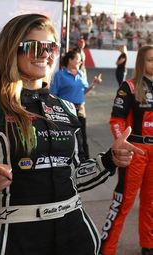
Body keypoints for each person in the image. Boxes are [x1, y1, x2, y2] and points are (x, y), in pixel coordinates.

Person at [0, 14, 143, 255]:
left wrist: (111, 159)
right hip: (16, 238)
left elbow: (74, 177)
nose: (45, 54)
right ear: (11, 50)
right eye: (34, 47)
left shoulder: (66, 108)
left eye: (51, 47)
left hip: (76, 234)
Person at [100, 45, 153, 255]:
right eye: (150, 60)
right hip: (135, 151)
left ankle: (148, 245)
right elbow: (116, 119)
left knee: (150, 202)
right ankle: (107, 248)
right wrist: (121, 143)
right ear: (141, 62)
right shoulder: (129, 86)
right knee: (123, 203)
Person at [50, 49, 102, 159]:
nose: (80, 62)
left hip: (80, 109)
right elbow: (54, 94)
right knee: (67, 135)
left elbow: (83, 91)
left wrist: (94, 84)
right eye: (78, 59)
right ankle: (67, 158)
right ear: (70, 60)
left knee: (82, 135)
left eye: (81, 60)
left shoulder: (81, 74)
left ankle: (85, 159)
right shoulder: (60, 75)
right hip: (65, 110)